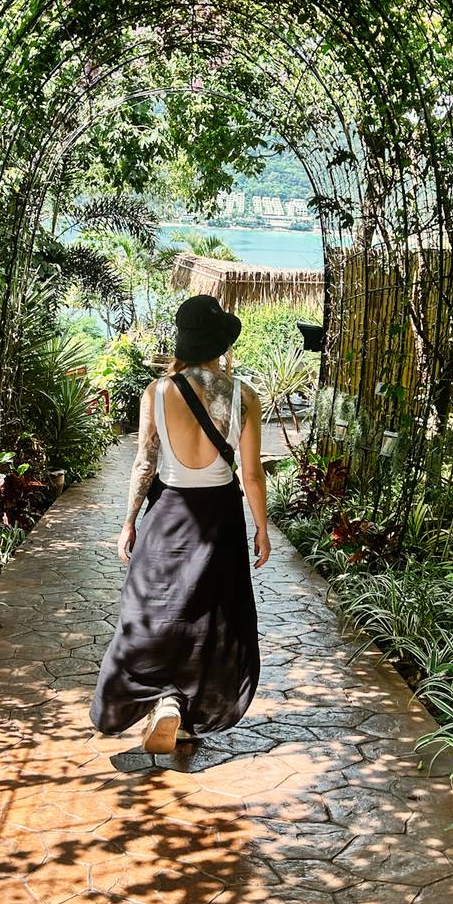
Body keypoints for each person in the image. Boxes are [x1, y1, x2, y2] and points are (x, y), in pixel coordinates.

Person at [90, 293, 270, 754]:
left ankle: (164, 702)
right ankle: (182, 709)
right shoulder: (243, 396)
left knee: (150, 610)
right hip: (220, 519)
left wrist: (129, 521)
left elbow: (144, 463)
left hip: (169, 513)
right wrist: (262, 529)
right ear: (221, 344)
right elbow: (250, 474)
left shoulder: (157, 391)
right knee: (210, 619)